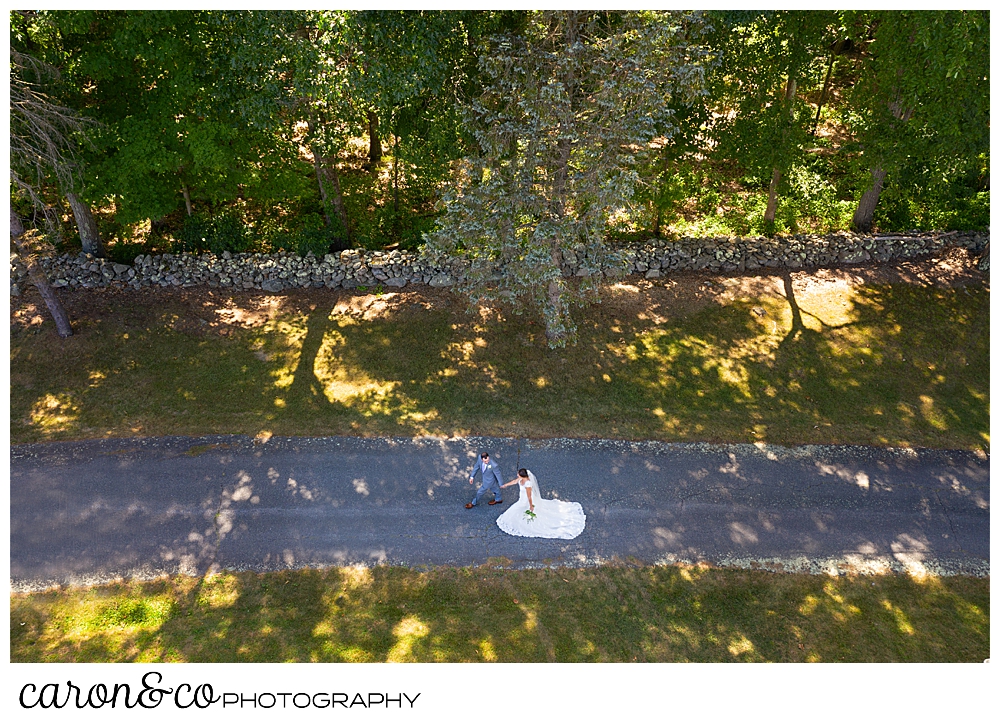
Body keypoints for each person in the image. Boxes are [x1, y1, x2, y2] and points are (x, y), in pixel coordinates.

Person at [496, 468, 585, 539]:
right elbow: (514, 481)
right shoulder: (521, 479)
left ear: (523, 475)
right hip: (521, 498)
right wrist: (506, 485)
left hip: (525, 500)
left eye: (518, 474)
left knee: (515, 509)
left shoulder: (528, 484)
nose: (517, 475)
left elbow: (529, 496)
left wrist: (531, 506)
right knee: (516, 509)